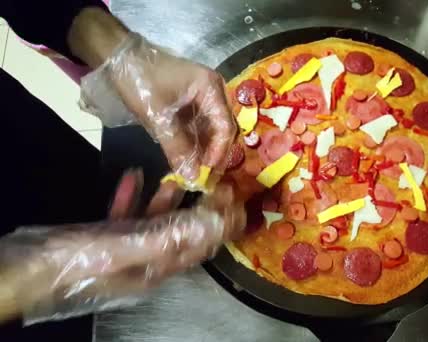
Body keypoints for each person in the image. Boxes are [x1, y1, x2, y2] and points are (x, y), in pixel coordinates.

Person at [0, 1, 245, 340]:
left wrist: (114, 47)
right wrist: (29, 281)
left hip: (16, 144)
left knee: (86, 185)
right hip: (17, 320)